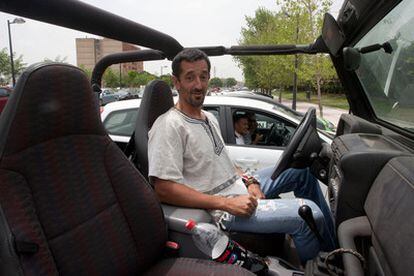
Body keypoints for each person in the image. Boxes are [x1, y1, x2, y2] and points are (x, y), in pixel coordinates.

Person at [148, 48, 336, 262]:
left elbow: (226, 163)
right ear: (177, 82)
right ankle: (323, 267)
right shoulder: (169, 126)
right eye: (190, 77)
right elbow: (163, 188)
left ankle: (334, 252)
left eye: (203, 76)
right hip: (222, 210)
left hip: (236, 188)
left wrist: (250, 181)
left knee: (302, 173)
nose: (198, 85)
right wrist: (225, 204)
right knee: (308, 212)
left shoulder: (209, 118)